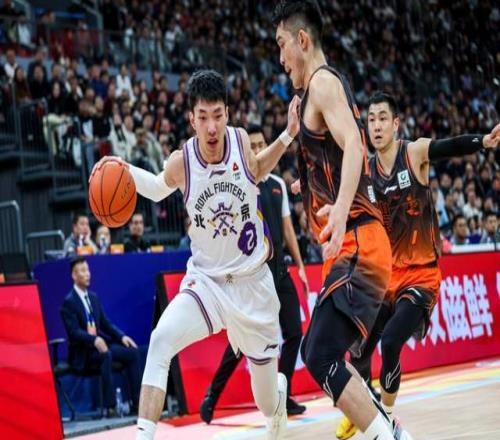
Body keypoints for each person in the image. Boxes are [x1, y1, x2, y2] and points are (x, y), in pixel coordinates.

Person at [93, 69, 302, 440]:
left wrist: (287, 134)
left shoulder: (240, 141)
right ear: (191, 118)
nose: (211, 126)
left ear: (227, 113)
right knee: (161, 340)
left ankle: (279, 395)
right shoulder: (183, 161)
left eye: (218, 115)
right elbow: (156, 188)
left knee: (267, 402)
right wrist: (120, 168)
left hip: (253, 285)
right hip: (208, 283)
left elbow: (258, 169)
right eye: (203, 117)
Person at [272, 2, 409, 440]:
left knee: (320, 352)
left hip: (359, 242)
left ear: (302, 40)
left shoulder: (323, 83)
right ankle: (391, 432)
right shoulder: (317, 93)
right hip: (355, 244)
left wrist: (341, 203)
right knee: (323, 352)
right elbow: (336, 153)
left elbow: (354, 144)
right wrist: (309, 184)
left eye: (281, 44)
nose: (280, 58)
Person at [337, 92, 499, 438]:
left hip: (421, 276)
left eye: (383, 118)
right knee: (356, 348)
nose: (376, 125)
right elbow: (340, 193)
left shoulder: (413, 153)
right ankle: (365, 402)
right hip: (384, 277)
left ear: (396, 124)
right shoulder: (364, 170)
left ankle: (386, 417)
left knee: (391, 342)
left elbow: (449, 146)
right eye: (371, 119)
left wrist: (483, 141)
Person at [199, 125, 309, 424]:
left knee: (294, 333)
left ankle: (283, 395)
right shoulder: (240, 182)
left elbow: (288, 229)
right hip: (252, 275)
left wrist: (300, 266)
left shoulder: (278, 184)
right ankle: (211, 396)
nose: (259, 149)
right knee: (240, 344)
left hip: (280, 271)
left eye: (262, 144)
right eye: (254, 145)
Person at [60, 257, 141, 415]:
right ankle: (110, 407)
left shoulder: (93, 298)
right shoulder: (69, 302)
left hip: (101, 346)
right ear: (74, 276)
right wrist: (94, 339)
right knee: (106, 354)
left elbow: (105, 323)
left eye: (88, 270)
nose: (87, 274)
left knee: (132, 353)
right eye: (83, 271)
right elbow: (74, 332)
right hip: (84, 353)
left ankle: (137, 404)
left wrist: (121, 336)